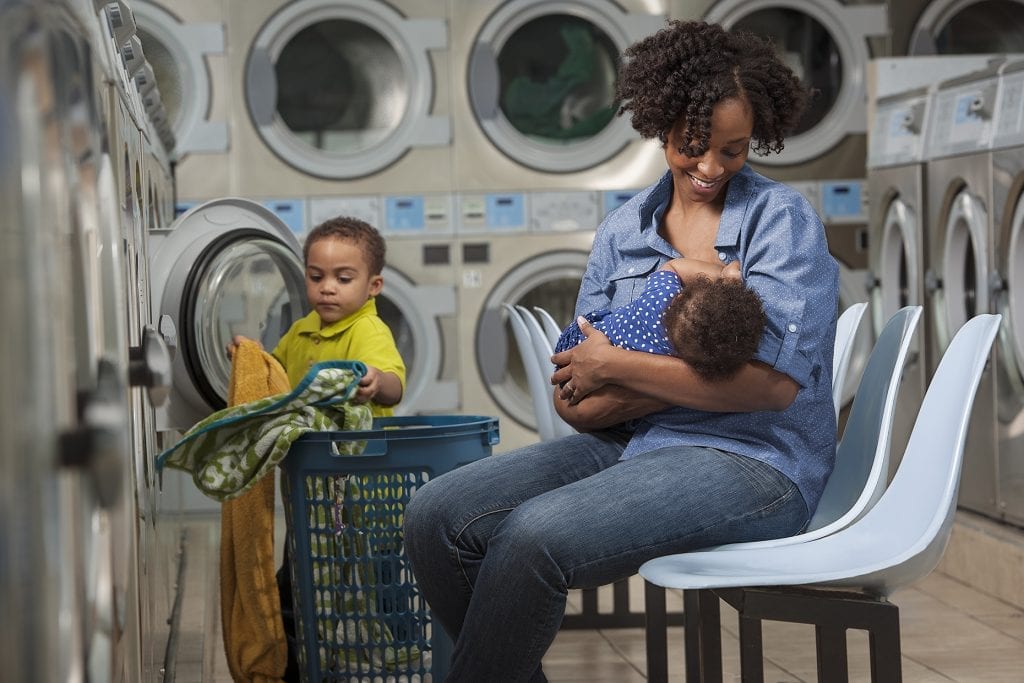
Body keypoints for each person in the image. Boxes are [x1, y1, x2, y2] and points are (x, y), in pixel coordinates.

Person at [403, 20, 838, 682]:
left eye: (734, 150)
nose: (710, 168)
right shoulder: (624, 232)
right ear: (662, 125)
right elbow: (574, 396)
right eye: (693, 146)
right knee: (435, 515)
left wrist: (619, 368)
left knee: (532, 538)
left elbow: (772, 389)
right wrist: (642, 384)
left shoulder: (780, 221)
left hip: (754, 460)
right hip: (632, 443)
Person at [229, 215, 406, 681]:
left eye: (343, 279)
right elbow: (277, 379)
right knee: (306, 578)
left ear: (373, 285)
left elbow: (394, 384)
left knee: (362, 580)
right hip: (311, 488)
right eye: (316, 276)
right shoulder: (304, 329)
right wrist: (252, 356)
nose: (328, 288)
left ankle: (377, 655)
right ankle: (309, 659)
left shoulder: (368, 331)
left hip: (361, 494)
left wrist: (374, 380)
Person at [553, 258, 767, 382]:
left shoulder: (660, 300)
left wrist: (727, 278)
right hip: (598, 381)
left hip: (577, 343)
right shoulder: (676, 359)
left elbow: (671, 267)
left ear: (681, 295)